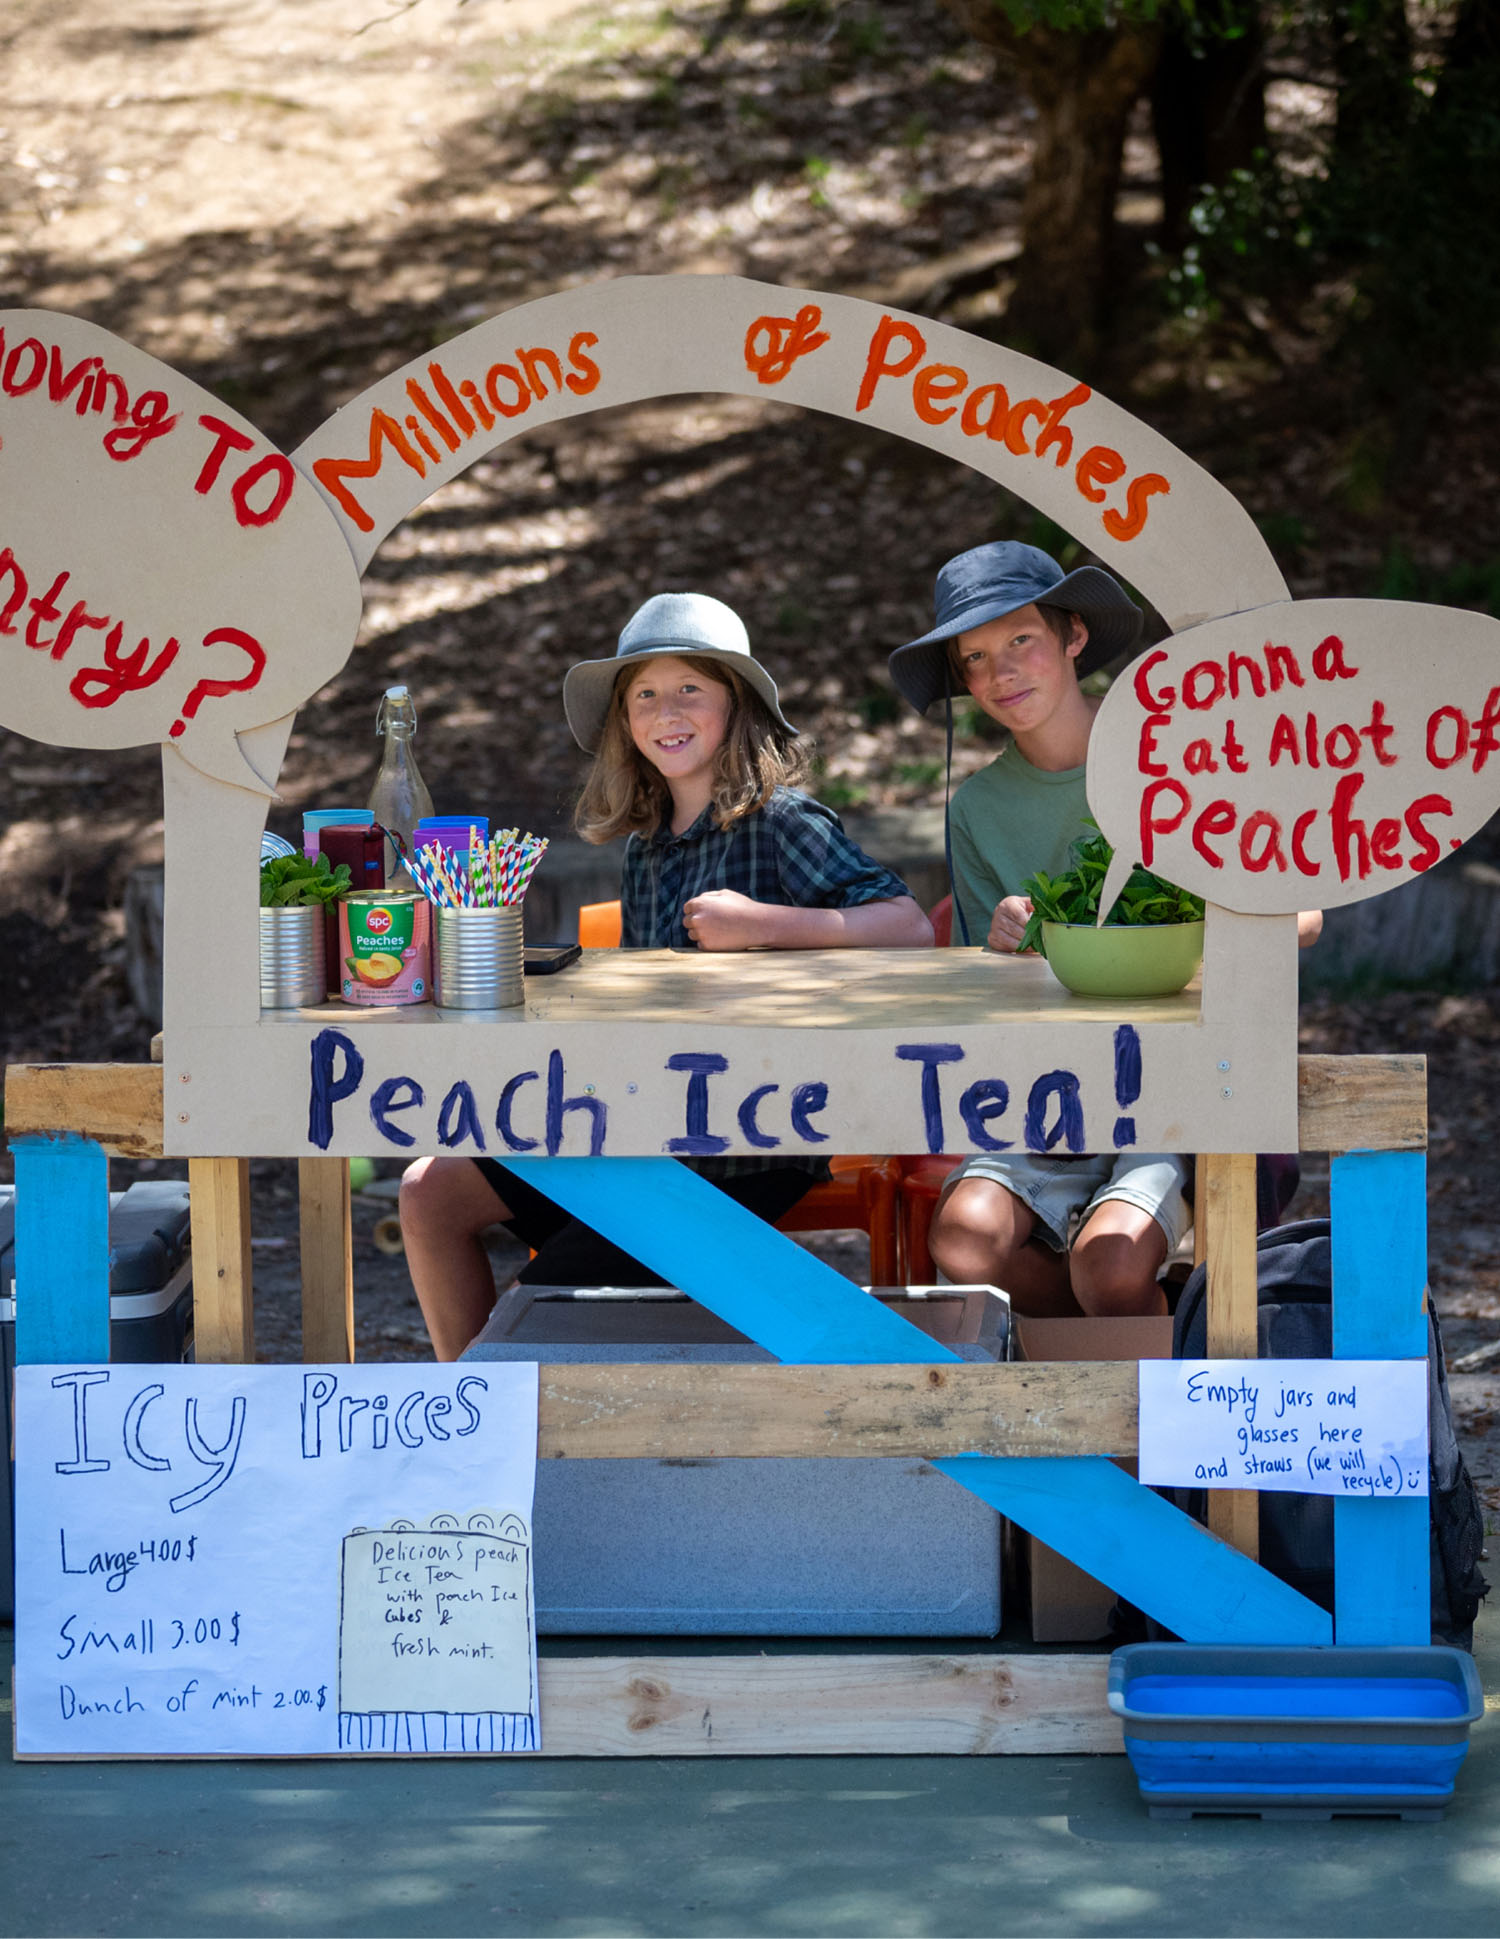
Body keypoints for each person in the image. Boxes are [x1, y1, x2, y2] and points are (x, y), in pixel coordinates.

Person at [403, 590, 932, 1357]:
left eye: (691, 688)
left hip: (748, 1149)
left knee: (533, 1312)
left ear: (737, 706)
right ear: (624, 720)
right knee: (427, 1191)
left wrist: (764, 926)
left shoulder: (784, 822)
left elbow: (909, 927)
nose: (666, 710)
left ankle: (487, 1408)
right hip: (638, 1132)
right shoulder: (648, 842)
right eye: (644, 694)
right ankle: (473, 1412)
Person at [888, 540, 1320, 1319]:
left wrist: (1189, 938)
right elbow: (990, 991)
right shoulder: (977, 810)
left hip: (1187, 1083)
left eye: (1021, 639)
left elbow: (1305, 915)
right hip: (1051, 1092)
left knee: (1111, 1265)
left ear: (1073, 637)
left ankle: (1156, 1376)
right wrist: (1004, 946)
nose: (1001, 672)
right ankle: (1135, 1343)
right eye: (975, 658)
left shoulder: (1176, 758)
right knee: (962, 1240)